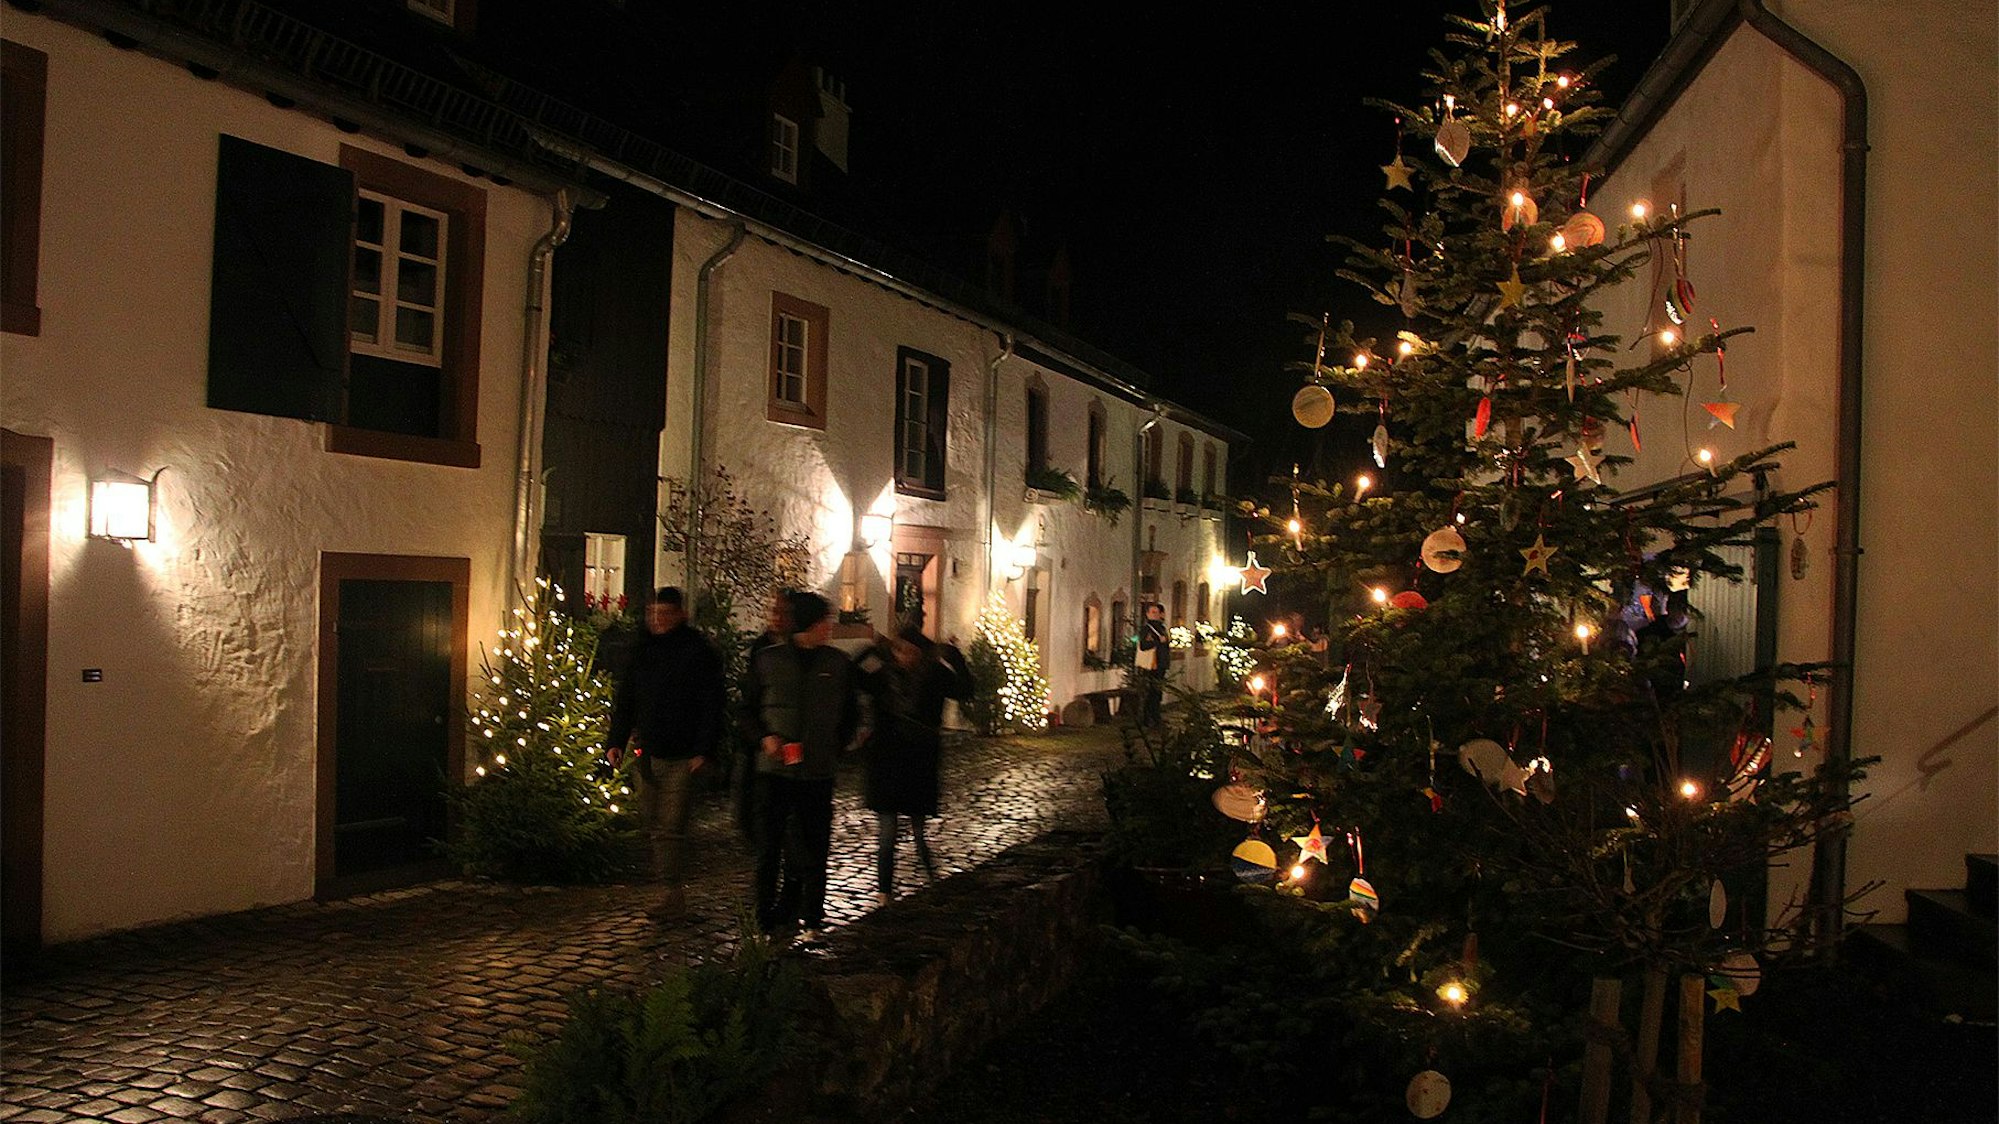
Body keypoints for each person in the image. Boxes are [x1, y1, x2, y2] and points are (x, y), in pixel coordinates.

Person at [737, 591, 860, 940]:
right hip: (774, 771)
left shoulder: (838, 664)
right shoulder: (768, 660)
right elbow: (746, 712)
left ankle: (812, 917)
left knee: (815, 846)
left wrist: (834, 746)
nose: (830, 628)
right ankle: (762, 919)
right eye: (824, 622)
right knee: (769, 847)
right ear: (810, 623)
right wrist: (764, 738)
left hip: (817, 772)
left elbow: (850, 713)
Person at [603, 587, 725, 921]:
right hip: (648, 752)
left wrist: (704, 750)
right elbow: (626, 700)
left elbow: (711, 705)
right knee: (653, 822)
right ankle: (670, 888)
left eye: (665, 613)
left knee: (671, 825)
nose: (658, 620)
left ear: (680, 614)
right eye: (653, 613)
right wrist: (616, 741)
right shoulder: (641, 650)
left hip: (683, 754)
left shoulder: (698, 652)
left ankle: (671, 893)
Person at [855, 614, 973, 904]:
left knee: (919, 832)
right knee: (887, 833)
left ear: (921, 652)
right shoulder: (883, 674)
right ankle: (884, 893)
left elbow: (966, 690)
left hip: (919, 761)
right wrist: (874, 649)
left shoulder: (935, 675)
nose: (903, 656)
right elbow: (854, 673)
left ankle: (932, 881)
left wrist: (955, 657)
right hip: (886, 761)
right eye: (899, 650)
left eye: (909, 651)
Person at [732, 590, 793, 842]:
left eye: (783, 612)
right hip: (758, 733)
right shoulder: (762, 648)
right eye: (774, 611)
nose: (776, 617)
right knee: (751, 787)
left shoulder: (794, 649)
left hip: (785, 736)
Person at [1134, 601, 1169, 725]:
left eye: (1157, 612)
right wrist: (1158, 641)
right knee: (1150, 692)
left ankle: (1155, 715)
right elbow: (1143, 645)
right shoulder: (1146, 629)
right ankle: (1148, 717)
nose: (1155, 614)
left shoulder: (1162, 628)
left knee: (1157, 692)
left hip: (1161, 664)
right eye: (1153, 612)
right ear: (1147, 614)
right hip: (1151, 665)